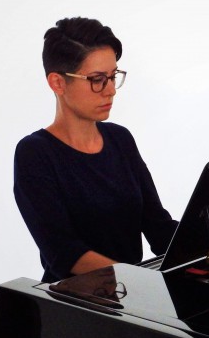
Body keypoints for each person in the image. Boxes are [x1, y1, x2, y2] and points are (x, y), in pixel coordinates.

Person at [14, 17, 179, 283]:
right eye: (97, 80)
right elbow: (64, 253)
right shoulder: (35, 154)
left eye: (113, 77)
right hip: (74, 300)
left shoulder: (120, 139)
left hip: (131, 296)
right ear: (57, 83)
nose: (111, 90)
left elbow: (158, 228)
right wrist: (138, 283)